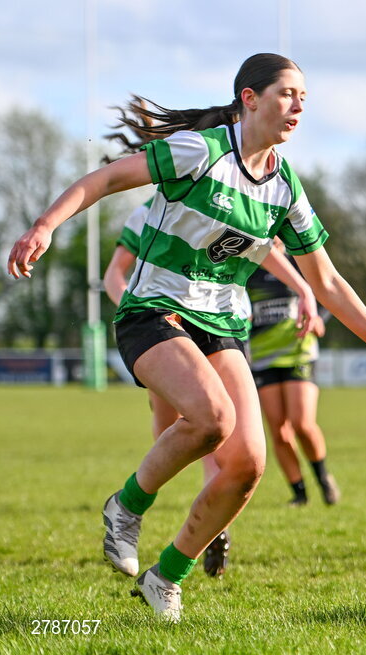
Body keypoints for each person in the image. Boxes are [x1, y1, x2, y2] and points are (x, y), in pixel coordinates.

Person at [8, 53, 366, 623]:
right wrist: (45, 224)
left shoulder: (285, 186)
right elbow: (110, 177)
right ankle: (126, 507)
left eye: (304, 99)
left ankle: (165, 578)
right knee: (212, 419)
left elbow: (328, 280)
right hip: (154, 312)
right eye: (287, 94)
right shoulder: (202, 151)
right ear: (249, 98)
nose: (297, 106)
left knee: (246, 467)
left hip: (223, 327)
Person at [103, 200, 323, 576]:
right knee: (176, 426)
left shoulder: (228, 191)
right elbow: (114, 276)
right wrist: (134, 301)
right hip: (162, 322)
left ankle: (209, 533)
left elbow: (261, 247)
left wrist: (302, 288)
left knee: (225, 435)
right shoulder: (143, 213)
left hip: (220, 325)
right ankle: (132, 506)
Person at [246, 240, 340, 507]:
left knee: (301, 423)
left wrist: (319, 317)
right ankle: (299, 493)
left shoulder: (298, 264)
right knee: (279, 431)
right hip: (263, 356)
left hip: (299, 352)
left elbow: (325, 290)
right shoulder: (248, 269)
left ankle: (323, 478)